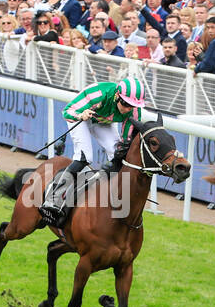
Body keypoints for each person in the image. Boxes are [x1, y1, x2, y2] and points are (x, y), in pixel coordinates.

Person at [39, 77, 146, 227]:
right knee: (84, 157)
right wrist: (80, 115)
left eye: (132, 106)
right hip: (81, 117)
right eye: (126, 104)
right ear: (117, 96)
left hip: (102, 121)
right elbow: (67, 111)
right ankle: (54, 196)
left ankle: (115, 199)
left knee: (119, 155)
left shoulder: (134, 111)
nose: (128, 109)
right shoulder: (98, 94)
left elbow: (127, 138)